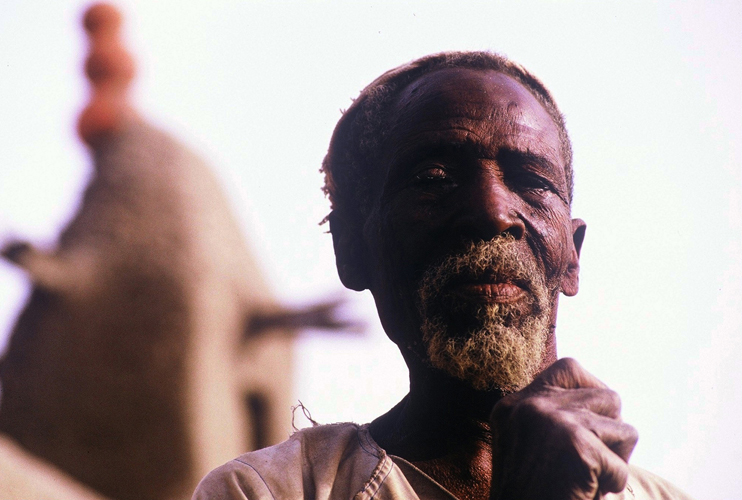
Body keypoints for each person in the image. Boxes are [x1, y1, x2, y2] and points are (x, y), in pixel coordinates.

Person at [192, 51, 692, 500]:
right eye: (434, 179)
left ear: (571, 256)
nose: (493, 212)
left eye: (532, 182)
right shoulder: (270, 491)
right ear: (353, 249)